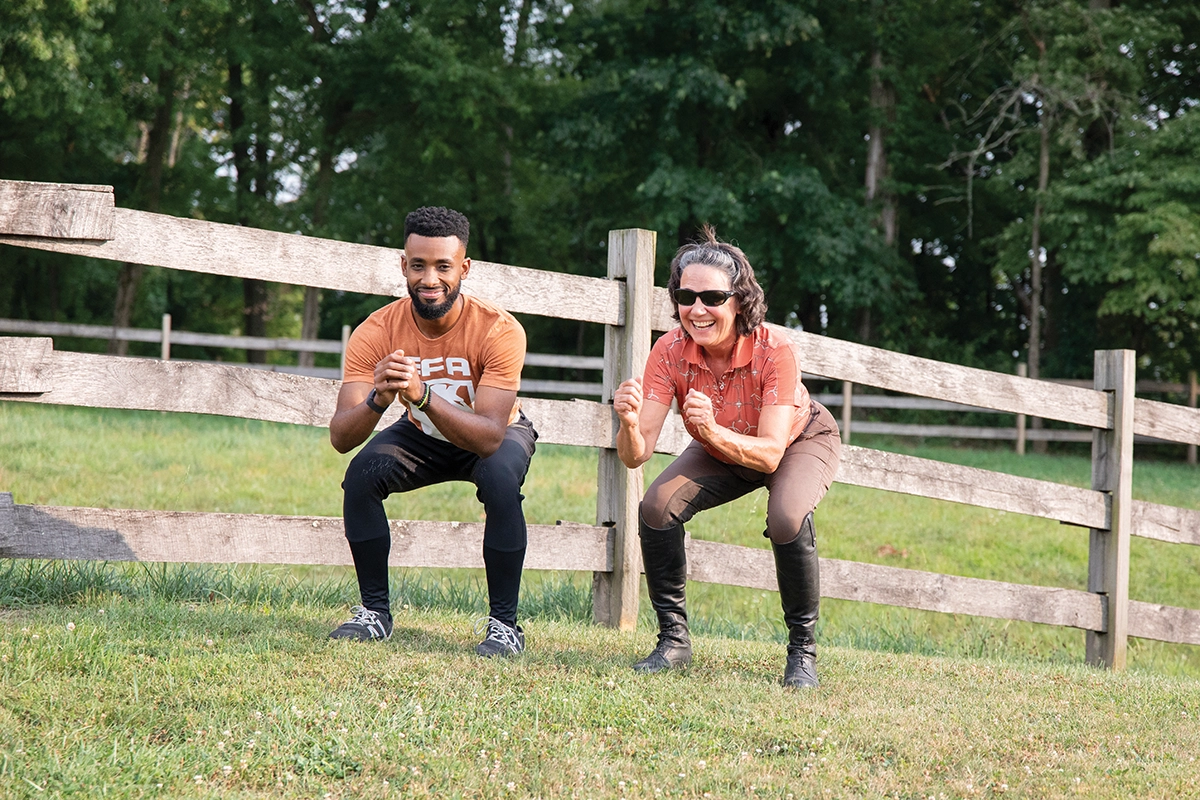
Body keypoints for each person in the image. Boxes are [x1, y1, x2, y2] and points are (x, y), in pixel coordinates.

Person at [613, 226, 841, 688]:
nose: (697, 309)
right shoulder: (669, 350)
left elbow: (772, 453)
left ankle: (803, 654)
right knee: (655, 508)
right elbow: (635, 458)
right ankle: (673, 643)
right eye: (686, 295)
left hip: (797, 440)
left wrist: (713, 429)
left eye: (713, 297)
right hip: (720, 442)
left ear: (740, 300)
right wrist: (630, 423)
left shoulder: (774, 349)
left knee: (786, 517)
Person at [327, 206, 537, 657]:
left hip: (494, 433)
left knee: (499, 479)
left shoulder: (500, 330)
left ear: (464, 268)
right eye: (418, 265)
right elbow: (342, 437)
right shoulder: (376, 329)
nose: (429, 278)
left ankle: (505, 627)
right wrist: (377, 400)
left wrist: (422, 395)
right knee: (361, 474)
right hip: (421, 433)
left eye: (443, 266)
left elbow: (487, 439)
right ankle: (374, 614)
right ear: (403, 265)